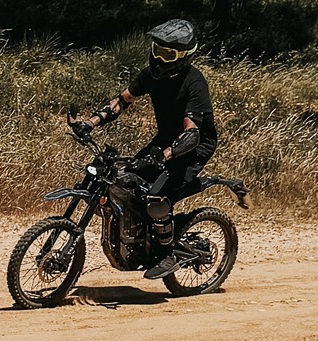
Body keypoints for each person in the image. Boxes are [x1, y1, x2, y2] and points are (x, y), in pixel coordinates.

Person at [71, 18, 219, 279]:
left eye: (167, 53)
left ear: (183, 56)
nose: (159, 58)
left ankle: (169, 252)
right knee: (127, 181)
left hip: (194, 147)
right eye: (156, 50)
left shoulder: (194, 83)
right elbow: (121, 101)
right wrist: (90, 123)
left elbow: (192, 133)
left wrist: (164, 156)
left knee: (157, 197)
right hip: (165, 139)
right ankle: (141, 240)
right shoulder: (151, 76)